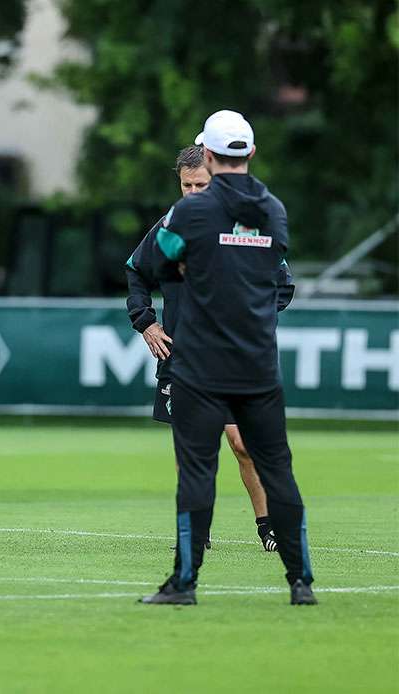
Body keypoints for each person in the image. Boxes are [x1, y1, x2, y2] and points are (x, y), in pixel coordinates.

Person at [140, 110, 315, 606]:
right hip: (257, 361)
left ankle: (185, 583)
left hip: (201, 362)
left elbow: (160, 261)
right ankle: (300, 581)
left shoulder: (189, 212)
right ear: (251, 154)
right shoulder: (274, 211)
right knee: (276, 467)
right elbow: (272, 271)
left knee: (197, 470)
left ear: (209, 156)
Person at [126, 144, 294, 552]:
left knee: (241, 444)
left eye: (201, 184)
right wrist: (145, 322)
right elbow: (136, 270)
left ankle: (269, 525)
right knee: (193, 450)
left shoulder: (243, 224)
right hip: (183, 357)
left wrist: (246, 323)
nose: (193, 192)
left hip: (234, 357)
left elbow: (283, 286)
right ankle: (195, 535)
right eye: (187, 185)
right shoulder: (172, 225)